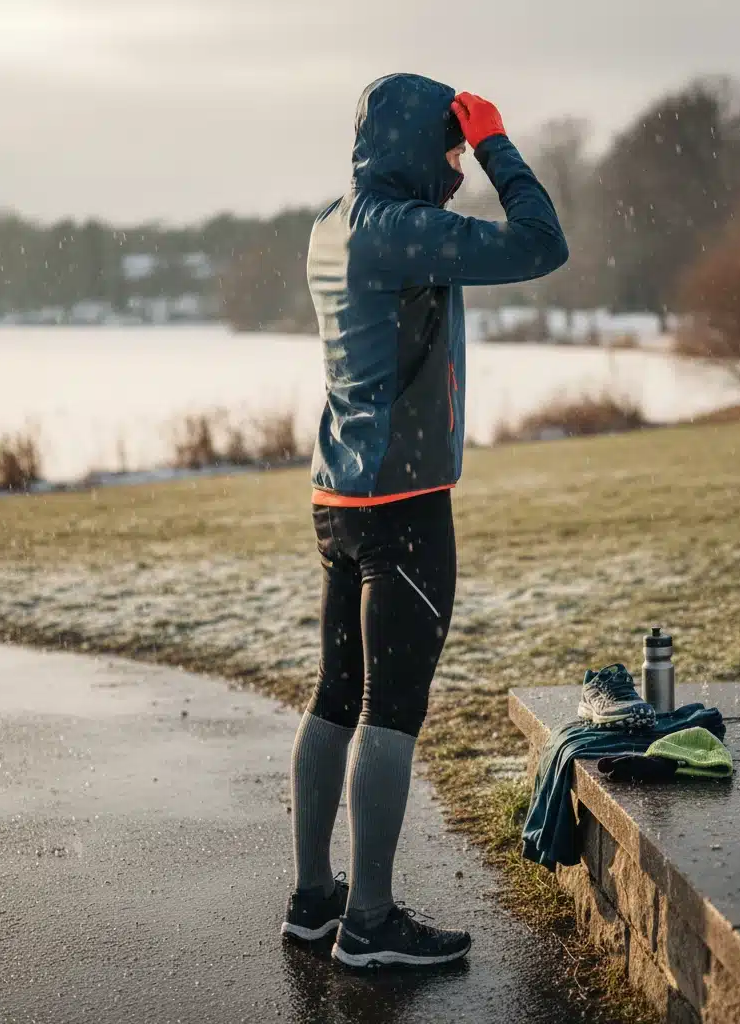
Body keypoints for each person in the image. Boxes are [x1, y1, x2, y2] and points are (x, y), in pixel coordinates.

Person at [281, 72, 568, 968]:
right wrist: (494, 142)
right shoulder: (402, 232)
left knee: (334, 696)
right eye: (444, 149)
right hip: (404, 507)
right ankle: (369, 925)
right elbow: (540, 243)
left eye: (461, 149)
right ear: (416, 145)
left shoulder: (331, 226)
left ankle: (313, 899)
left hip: (336, 501)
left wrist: (457, 150)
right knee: (393, 712)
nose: (453, 165)